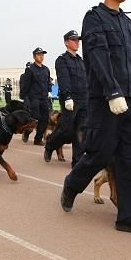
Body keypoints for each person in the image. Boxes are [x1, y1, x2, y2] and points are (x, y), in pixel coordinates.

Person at [60, 0, 131, 236]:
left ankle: (127, 217)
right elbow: (98, 57)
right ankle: (72, 184)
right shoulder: (94, 18)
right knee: (101, 152)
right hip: (107, 100)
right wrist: (113, 91)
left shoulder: (127, 22)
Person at [44, 30, 87, 167]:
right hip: (70, 100)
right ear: (66, 42)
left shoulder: (81, 61)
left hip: (83, 99)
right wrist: (68, 96)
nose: (77, 42)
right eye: (73, 40)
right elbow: (64, 79)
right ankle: (50, 144)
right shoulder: (62, 60)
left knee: (80, 130)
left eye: (78, 40)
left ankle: (77, 161)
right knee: (66, 130)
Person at [19, 47, 51, 146]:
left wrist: (49, 91)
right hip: (34, 98)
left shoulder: (46, 69)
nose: (41, 56)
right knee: (35, 119)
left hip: (44, 98)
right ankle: (27, 131)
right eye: (39, 54)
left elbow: (48, 82)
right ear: (34, 56)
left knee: (45, 119)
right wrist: (25, 98)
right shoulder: (30, 70)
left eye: (42, 55)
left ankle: (38, 139)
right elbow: (26, 85)